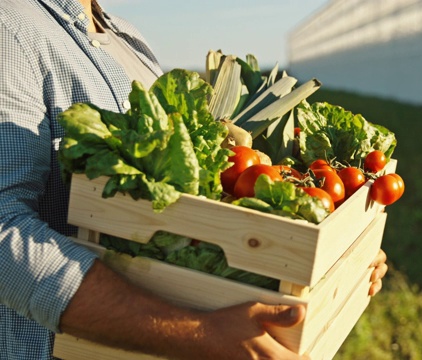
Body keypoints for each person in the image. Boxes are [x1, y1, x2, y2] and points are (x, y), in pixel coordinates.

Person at [0, 0, 389, 359]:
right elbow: (4, 233)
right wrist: (197, 334)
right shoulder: (10, 26)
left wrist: (339, 264)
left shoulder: (124, 35)